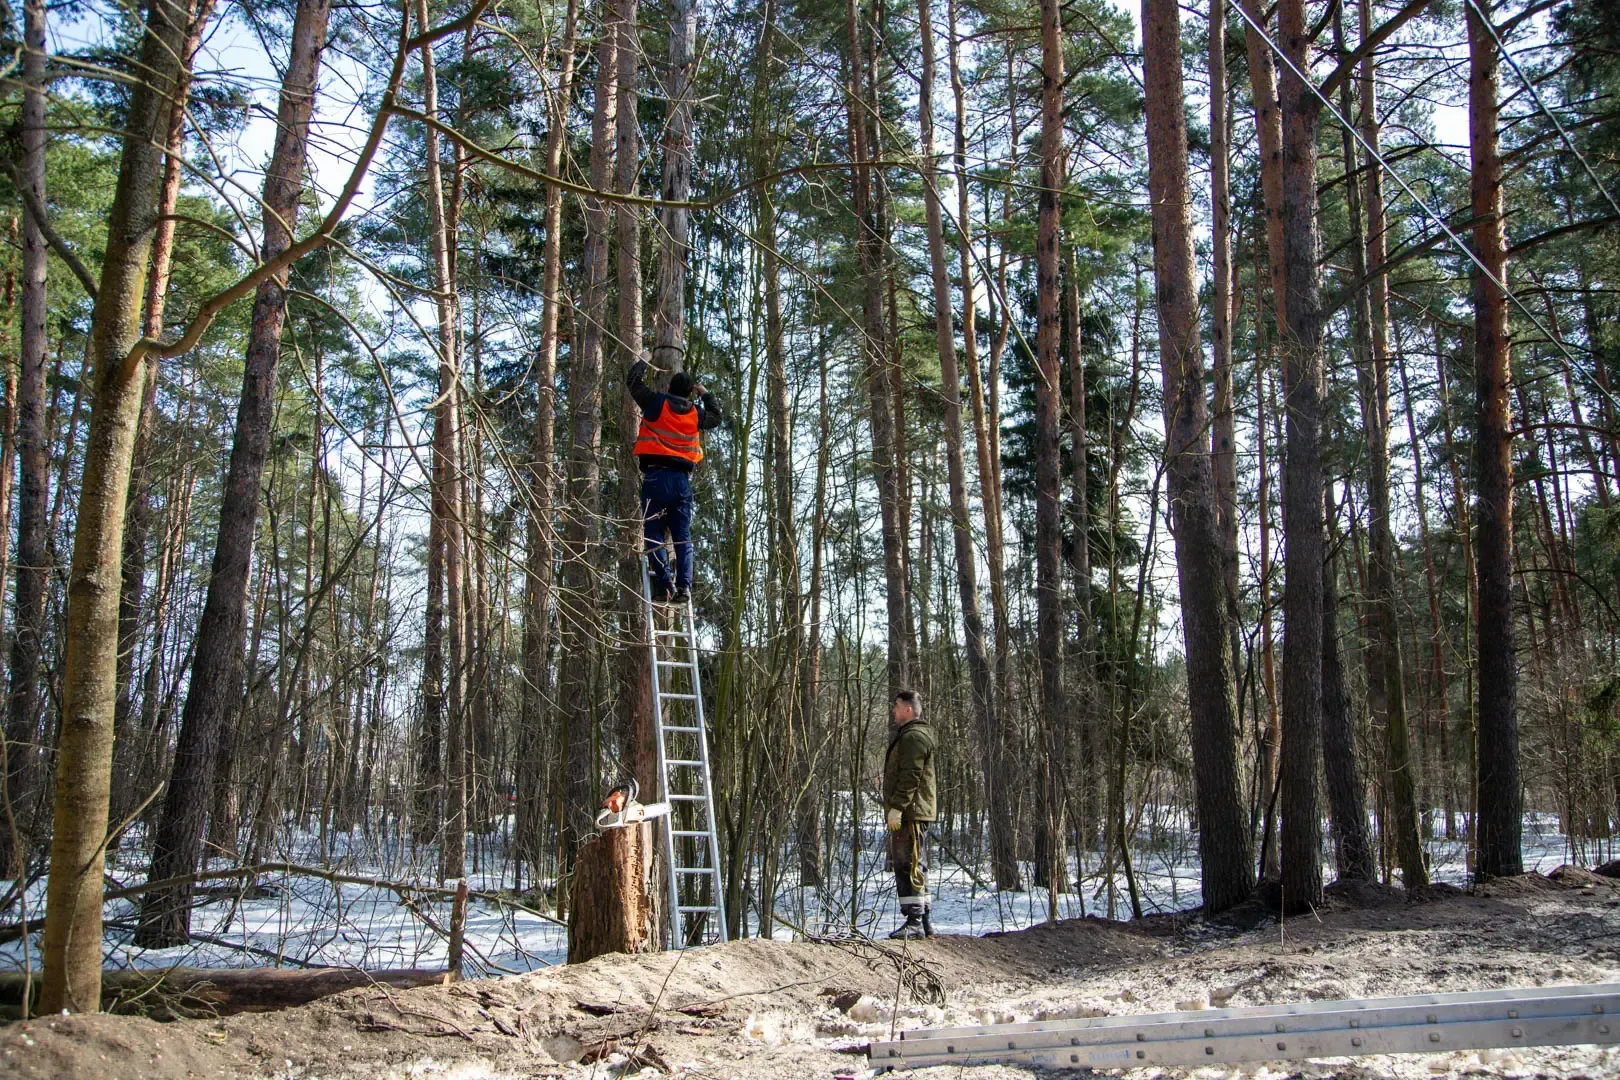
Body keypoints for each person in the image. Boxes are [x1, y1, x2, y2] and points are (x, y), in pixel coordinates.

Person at [627, 352, 723, 602]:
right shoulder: (695, 413)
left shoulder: (656, 404)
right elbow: (716, 417)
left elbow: (633, 382)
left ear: (668, 387)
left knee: (653, 533)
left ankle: (665, 582)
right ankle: (684, 587)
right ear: (690, 394)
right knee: (682, 537)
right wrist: (706, 394)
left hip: (656, 478)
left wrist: (644, 360)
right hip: (681, 482)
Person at [882, 689, 936, 939]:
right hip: (912, 810)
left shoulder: (914, 737)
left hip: (912, 812)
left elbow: (911, 776)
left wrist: (898, 807)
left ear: (908, 709)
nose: (894, 710)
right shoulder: (911, 735)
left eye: (897, 705)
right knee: (914, 862)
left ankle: (915, 921)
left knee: (909, 863)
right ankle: (923, 921)